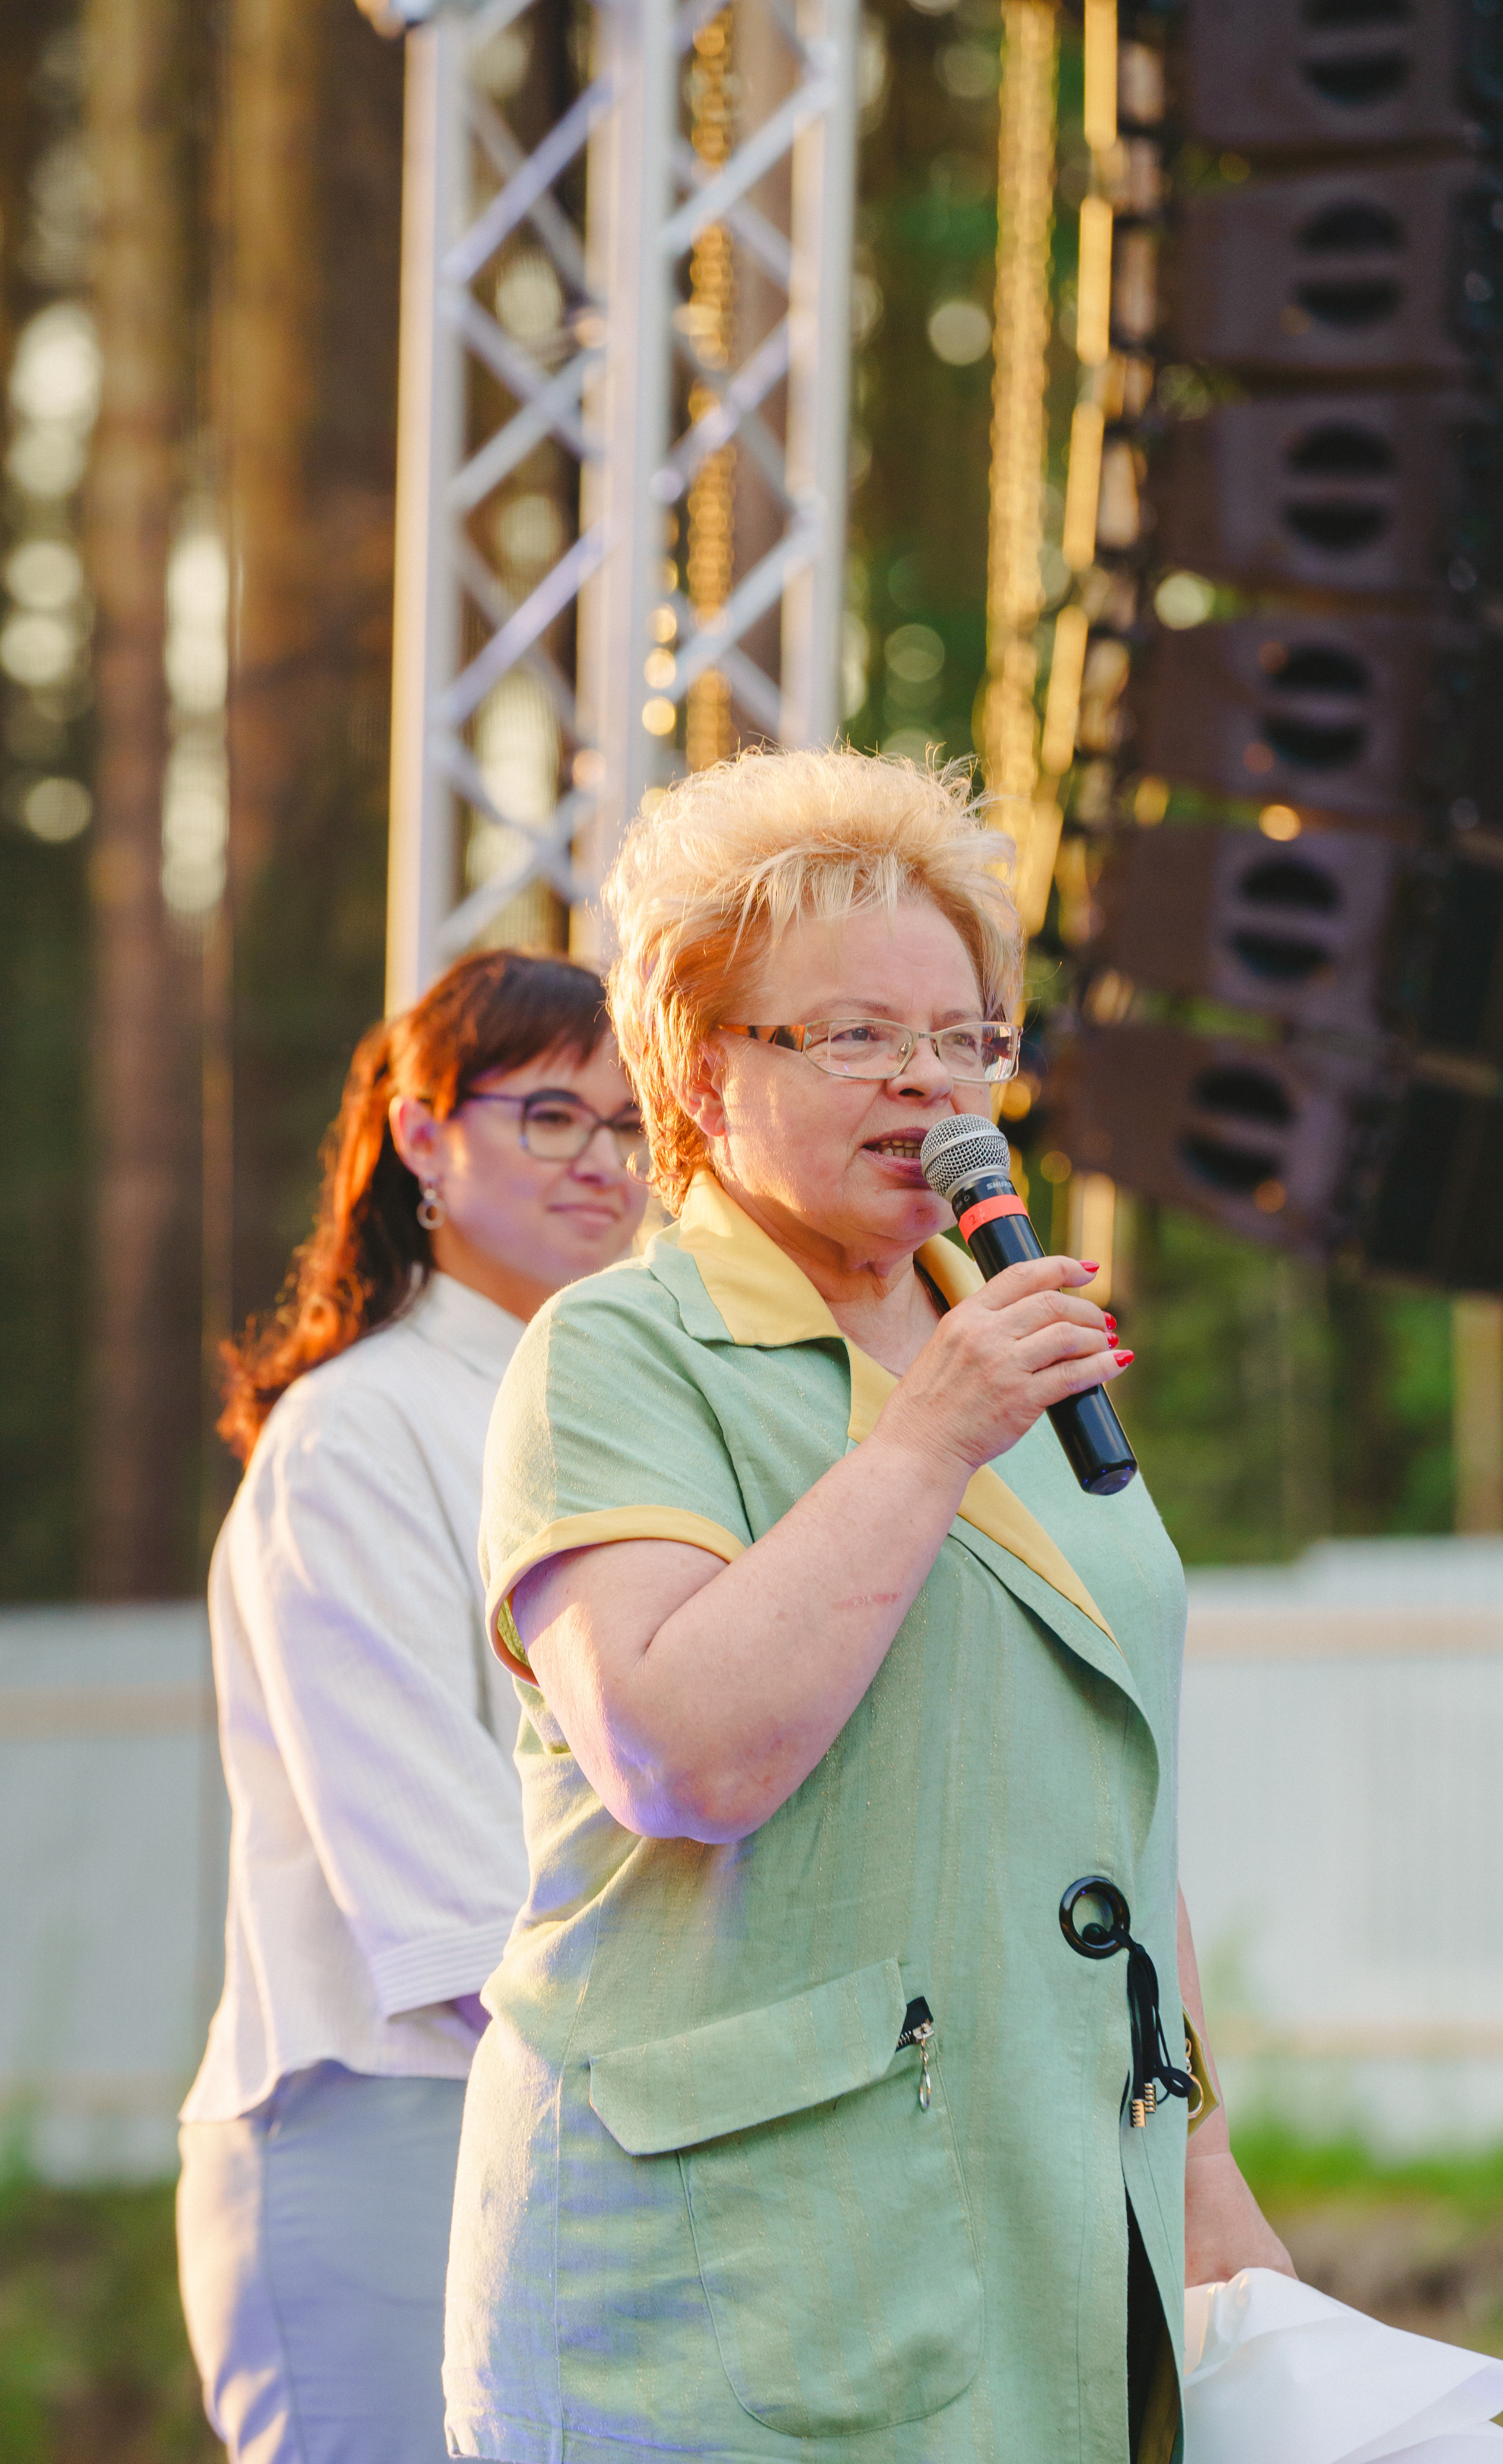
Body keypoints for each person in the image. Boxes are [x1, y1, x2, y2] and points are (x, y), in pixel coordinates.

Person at [445, 749, 1292, 2464]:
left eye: (970, 1036)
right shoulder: (617, 1352)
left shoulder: (1008, 1342)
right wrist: (936, 1428)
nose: (934, 1086)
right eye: (855, 1037)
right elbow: (685, 1758)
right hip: (743, 2275)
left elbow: (1109, 1786)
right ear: (696, 1061)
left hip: (1056, 2215)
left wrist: (1199, 2160)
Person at [176, 950, 649, 2464]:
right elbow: (438, 1874)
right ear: (422, 1137)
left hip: (581, 2107)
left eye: (634, 1129)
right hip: (385, 2120)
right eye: (554, 1117)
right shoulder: (354, 1433)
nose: (605, 1165)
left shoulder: (602, 1420)